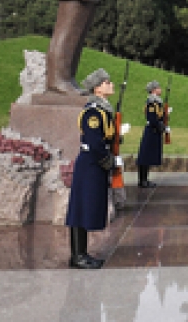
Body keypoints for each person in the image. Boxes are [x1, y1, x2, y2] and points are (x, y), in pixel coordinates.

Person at [65, 68, 116, 269]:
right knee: (81, 209)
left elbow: (103, 137)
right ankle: (78, 256)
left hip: (94, 164)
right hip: (90, 164)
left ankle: (81, 253)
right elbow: (94, 141)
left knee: (85, 208)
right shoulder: (93, 112)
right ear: (97, 88)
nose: (111, 85)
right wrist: (107, 160)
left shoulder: (102, 110)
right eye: (107, 82)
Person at [136, 80, 165, 188]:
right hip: (151, 131)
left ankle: (144, 179)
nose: (160, 89)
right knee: (145, 156)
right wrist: (160, 125)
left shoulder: (157, 102)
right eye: (158, 87)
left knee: (147, 157)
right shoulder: (152, 102)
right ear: (154, 90)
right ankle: (142, 180)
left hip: (154, 131)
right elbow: (152, 118)